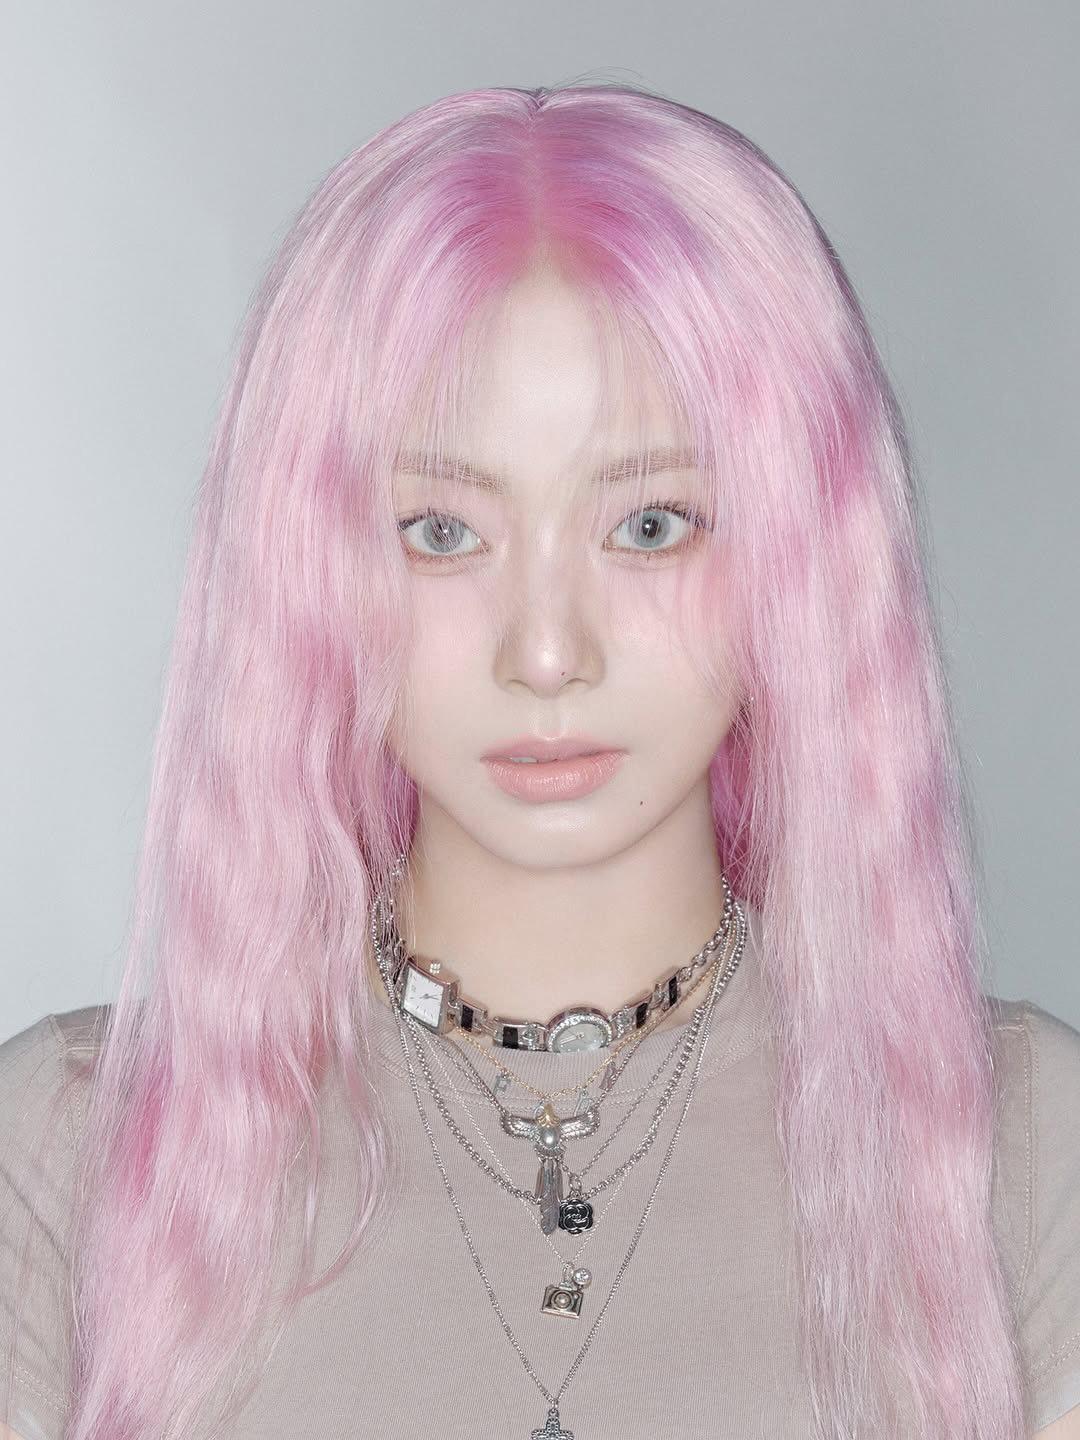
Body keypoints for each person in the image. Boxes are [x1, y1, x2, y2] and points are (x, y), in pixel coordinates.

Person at [1, 81, 1078, 1440]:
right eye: (441, 532)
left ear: (803, 555)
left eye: (653, 525)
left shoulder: (1022, 1152)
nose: (549, 651)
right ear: (306, 570)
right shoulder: (68, 1153)